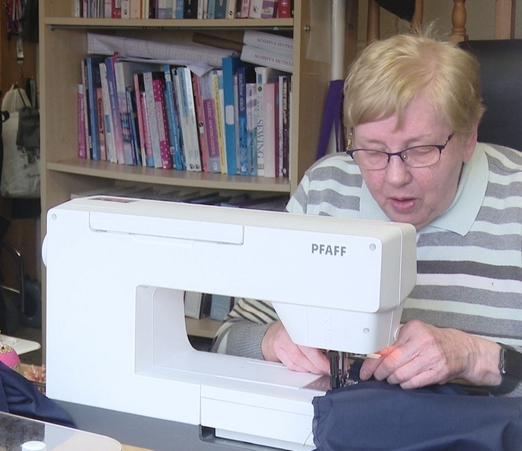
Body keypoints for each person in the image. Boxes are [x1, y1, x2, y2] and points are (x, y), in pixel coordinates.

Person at [212, 32, 522, 396]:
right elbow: (228, 337)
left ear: (469, 138)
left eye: (421, 150)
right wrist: (274, 341)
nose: (395, 177)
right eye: (372, 151)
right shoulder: (326, 189)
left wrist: (476, 357)